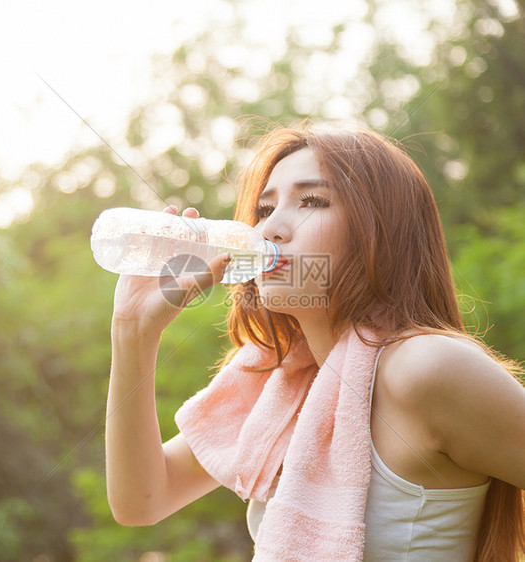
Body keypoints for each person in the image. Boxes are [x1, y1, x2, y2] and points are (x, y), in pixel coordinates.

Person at [105, 126, 525, 561]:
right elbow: (142, 501)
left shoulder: (424, 367)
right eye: (264, 209)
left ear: (379, 231)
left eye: (312, 202)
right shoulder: (278, 380)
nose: (270, 229)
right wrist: (132, 332)